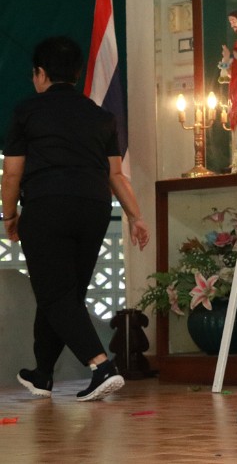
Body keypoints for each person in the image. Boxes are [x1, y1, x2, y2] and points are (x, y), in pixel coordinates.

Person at [1, 36, 150, 402]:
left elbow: (12, 174)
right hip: (93, 209)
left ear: (40, 73)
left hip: (47, 206)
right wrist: (136, 217)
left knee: (55, 294)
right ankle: (42, 374)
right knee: (64, 293)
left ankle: (102, 366)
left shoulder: (27, 111)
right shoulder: (101, 116)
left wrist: (9, 215)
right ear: (78, 74)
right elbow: (116, 175)